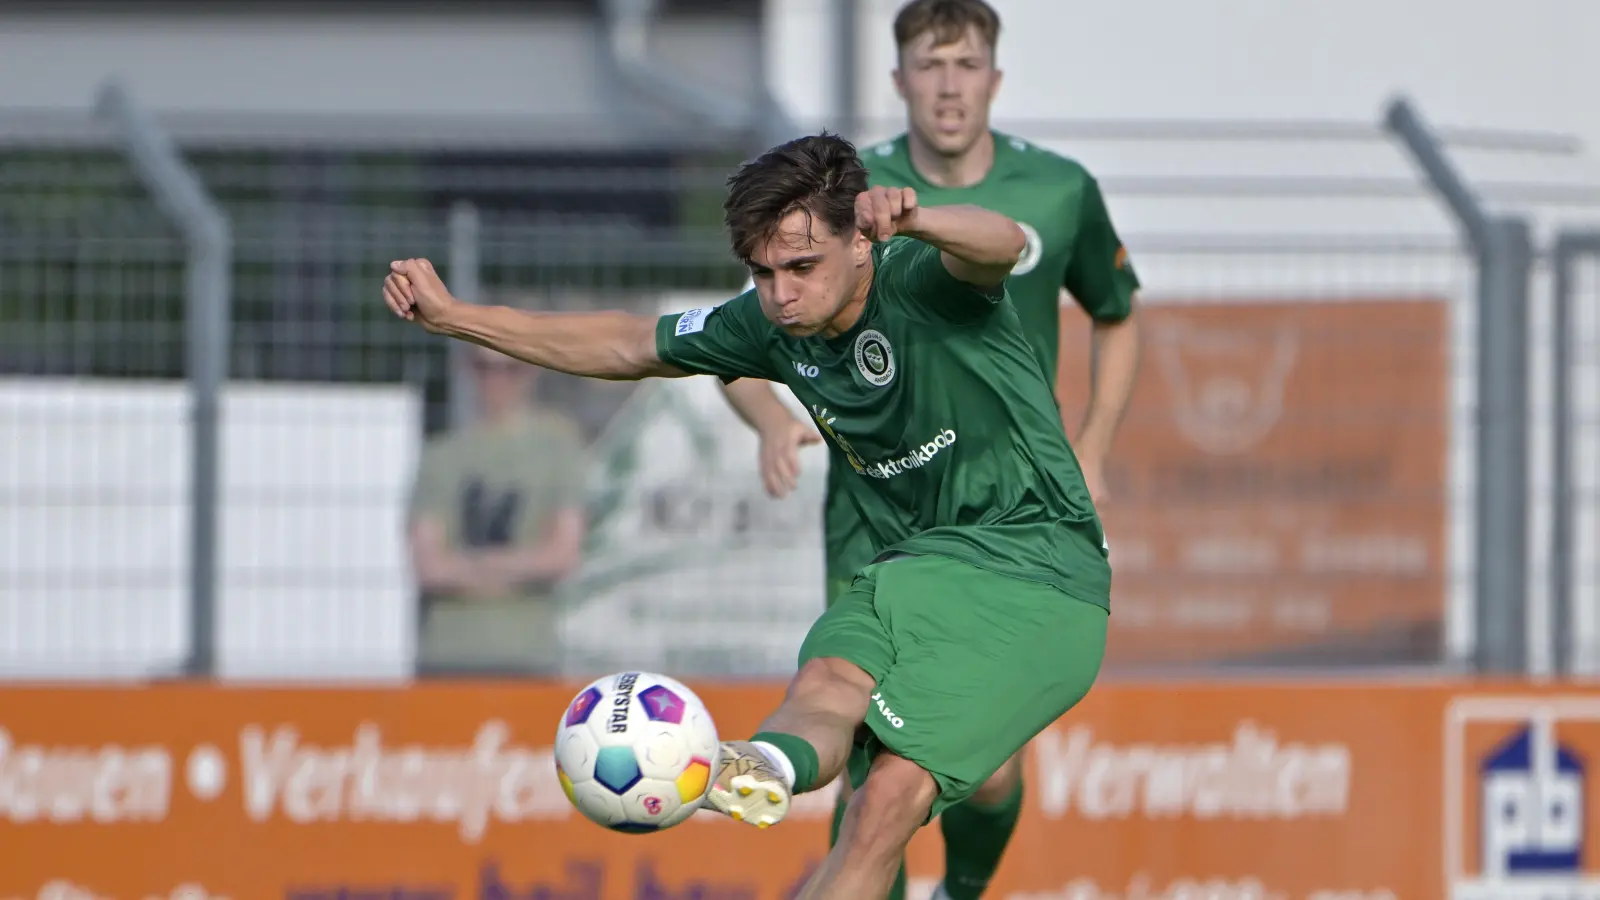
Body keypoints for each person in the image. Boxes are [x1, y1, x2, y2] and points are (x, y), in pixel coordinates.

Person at [381, 132, 1110, 900]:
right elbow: (629, 343)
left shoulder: (924, 278)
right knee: (827, 683)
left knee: (889, 801)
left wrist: (922, 217)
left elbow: (1005, 245)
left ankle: (957, 886)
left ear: (860, 242)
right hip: (917, 568)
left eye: (802, 267)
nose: (781, 293)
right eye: (763, 273)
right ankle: (761, 765)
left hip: (1041, 570)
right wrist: (457, 317)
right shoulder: (769, 325)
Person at [718, 2, 1142, 896]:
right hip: (876, 514)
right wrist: (766, 418)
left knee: (983, 771)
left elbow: (1116, 314)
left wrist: (1094, 447)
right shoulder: (844, 193)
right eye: (929, 63)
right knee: (872, 777)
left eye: (966, 62)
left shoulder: (1059, 189)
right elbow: (751, 325)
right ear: (899, 79)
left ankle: (961, 888)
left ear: (994, 76)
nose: (948, 82)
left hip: (1004, 515)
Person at [407, 344, 588, 675]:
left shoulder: (556, 451)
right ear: (468, 371)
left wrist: (468, 567)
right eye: (485, 367)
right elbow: (429, 567)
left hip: (528, 655)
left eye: (510, 369)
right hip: (447, 657)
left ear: (531, 371)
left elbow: (562, 555)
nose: (497, 380)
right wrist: (518, 566)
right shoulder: (441, 455)